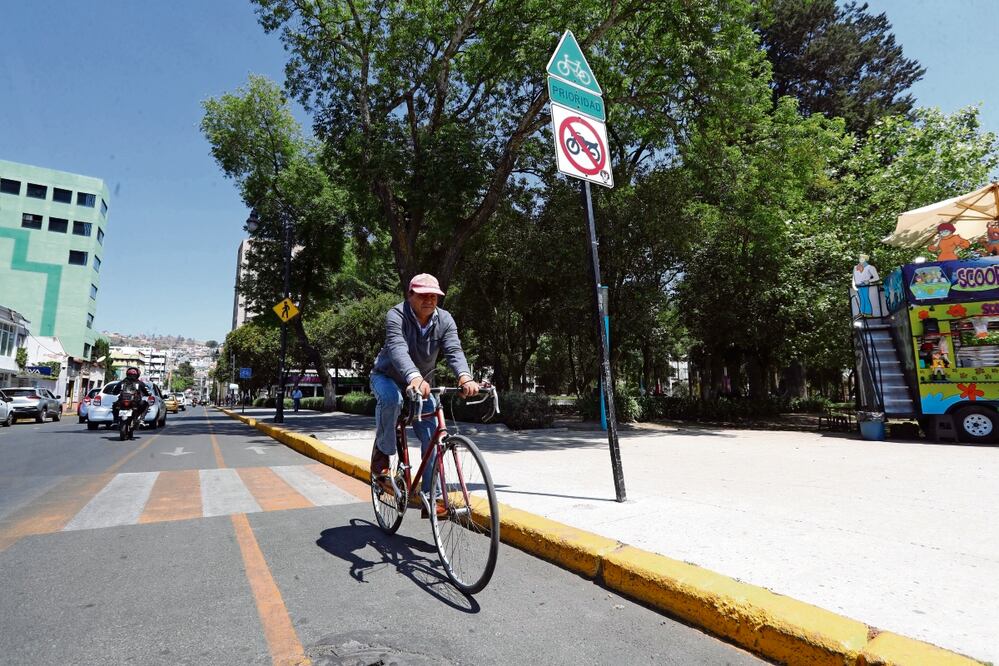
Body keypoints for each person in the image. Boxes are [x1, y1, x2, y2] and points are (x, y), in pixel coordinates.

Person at [370, 273, 479, 517]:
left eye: (434, 296)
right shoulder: (396, 315)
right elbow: (397, 348)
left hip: (422, 384)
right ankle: (382, 457)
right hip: (388, 377)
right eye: (423, 295)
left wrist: (465, 376)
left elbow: (453, 350)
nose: (429, 300)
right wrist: (414, 376)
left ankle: (432, 496)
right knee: (392, 399)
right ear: (410, 295)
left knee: (434, 436)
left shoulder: (445, 320)